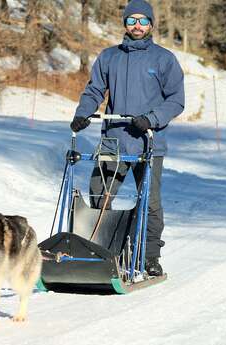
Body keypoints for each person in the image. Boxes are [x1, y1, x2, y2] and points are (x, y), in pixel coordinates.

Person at [70, 0, 184, 276]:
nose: (137, 25)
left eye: (143, 21)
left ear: (151, 25)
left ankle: (149, 256)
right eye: (132, 20)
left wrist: (152, 119)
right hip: (114, 140)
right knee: (100, 194)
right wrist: (83, 113)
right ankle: (97, 251)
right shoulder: (110, 57)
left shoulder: (164, 59)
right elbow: (95, 90)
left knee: (150, 202)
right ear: (124, 23)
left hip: (149, 142)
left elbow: (176, 101)